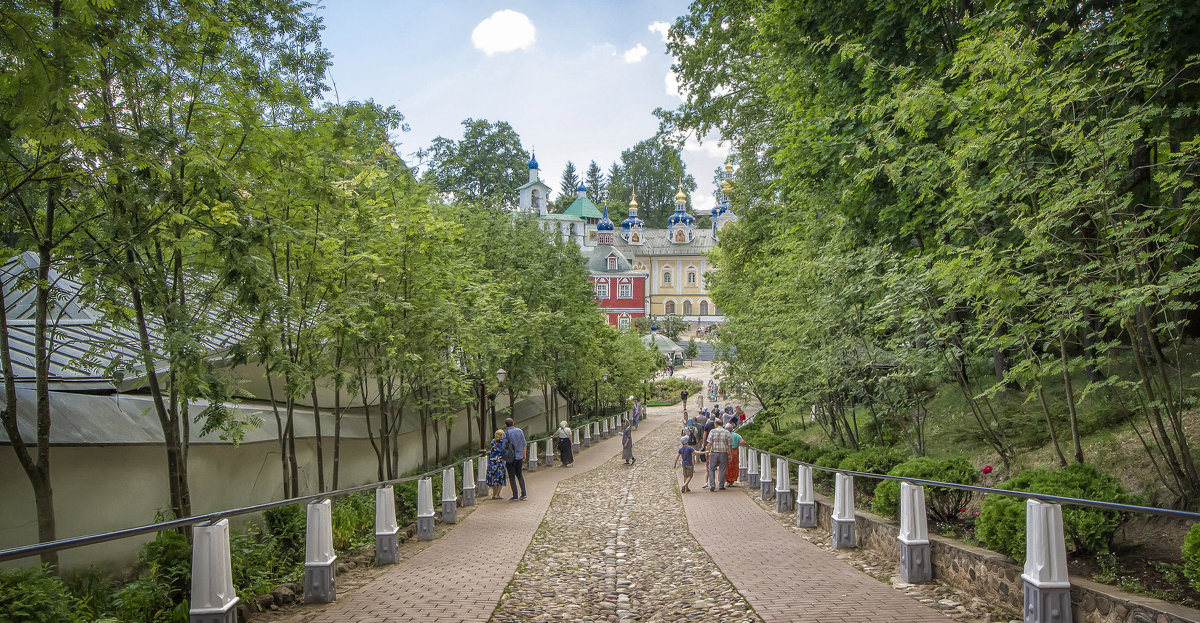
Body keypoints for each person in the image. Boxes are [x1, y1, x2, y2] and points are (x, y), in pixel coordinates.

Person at [503, 417, 528, 500]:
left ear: (506, 425)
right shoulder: (520, 431)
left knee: (512, 477)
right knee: (520, 475)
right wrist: (524, 454)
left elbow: (504, 446)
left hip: (510, 458)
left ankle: (515, 495)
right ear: (513, 423)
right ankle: (524, 493)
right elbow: (524, 444)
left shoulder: (506, 433)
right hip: (519, 456)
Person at [704, 420, 732, 491]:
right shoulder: (727, 432)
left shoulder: (712, 432)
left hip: (714, 453)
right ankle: (721, 485)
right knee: (723, 469)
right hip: (723, 453)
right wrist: (730, 454)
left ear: (716, 424)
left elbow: (709, 443)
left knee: (711, 468)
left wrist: (707, 452)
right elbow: (729, 445)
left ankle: (712, 485)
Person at [486, 430, 507, 499]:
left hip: (492, 463)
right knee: (500, 478)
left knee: (493, 478)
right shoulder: (503, 443)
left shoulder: (493, 443)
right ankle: (497, 494)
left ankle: (493, 494)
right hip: (500, 462)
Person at [725, 423, 741, 487]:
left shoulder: (725, 435)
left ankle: (728, 480)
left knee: (727, 467)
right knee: (734, 466)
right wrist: (748, 446)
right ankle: (732, 480)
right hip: (735, 452)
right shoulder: (736, 435)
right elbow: (742, 442)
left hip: (727, 451)